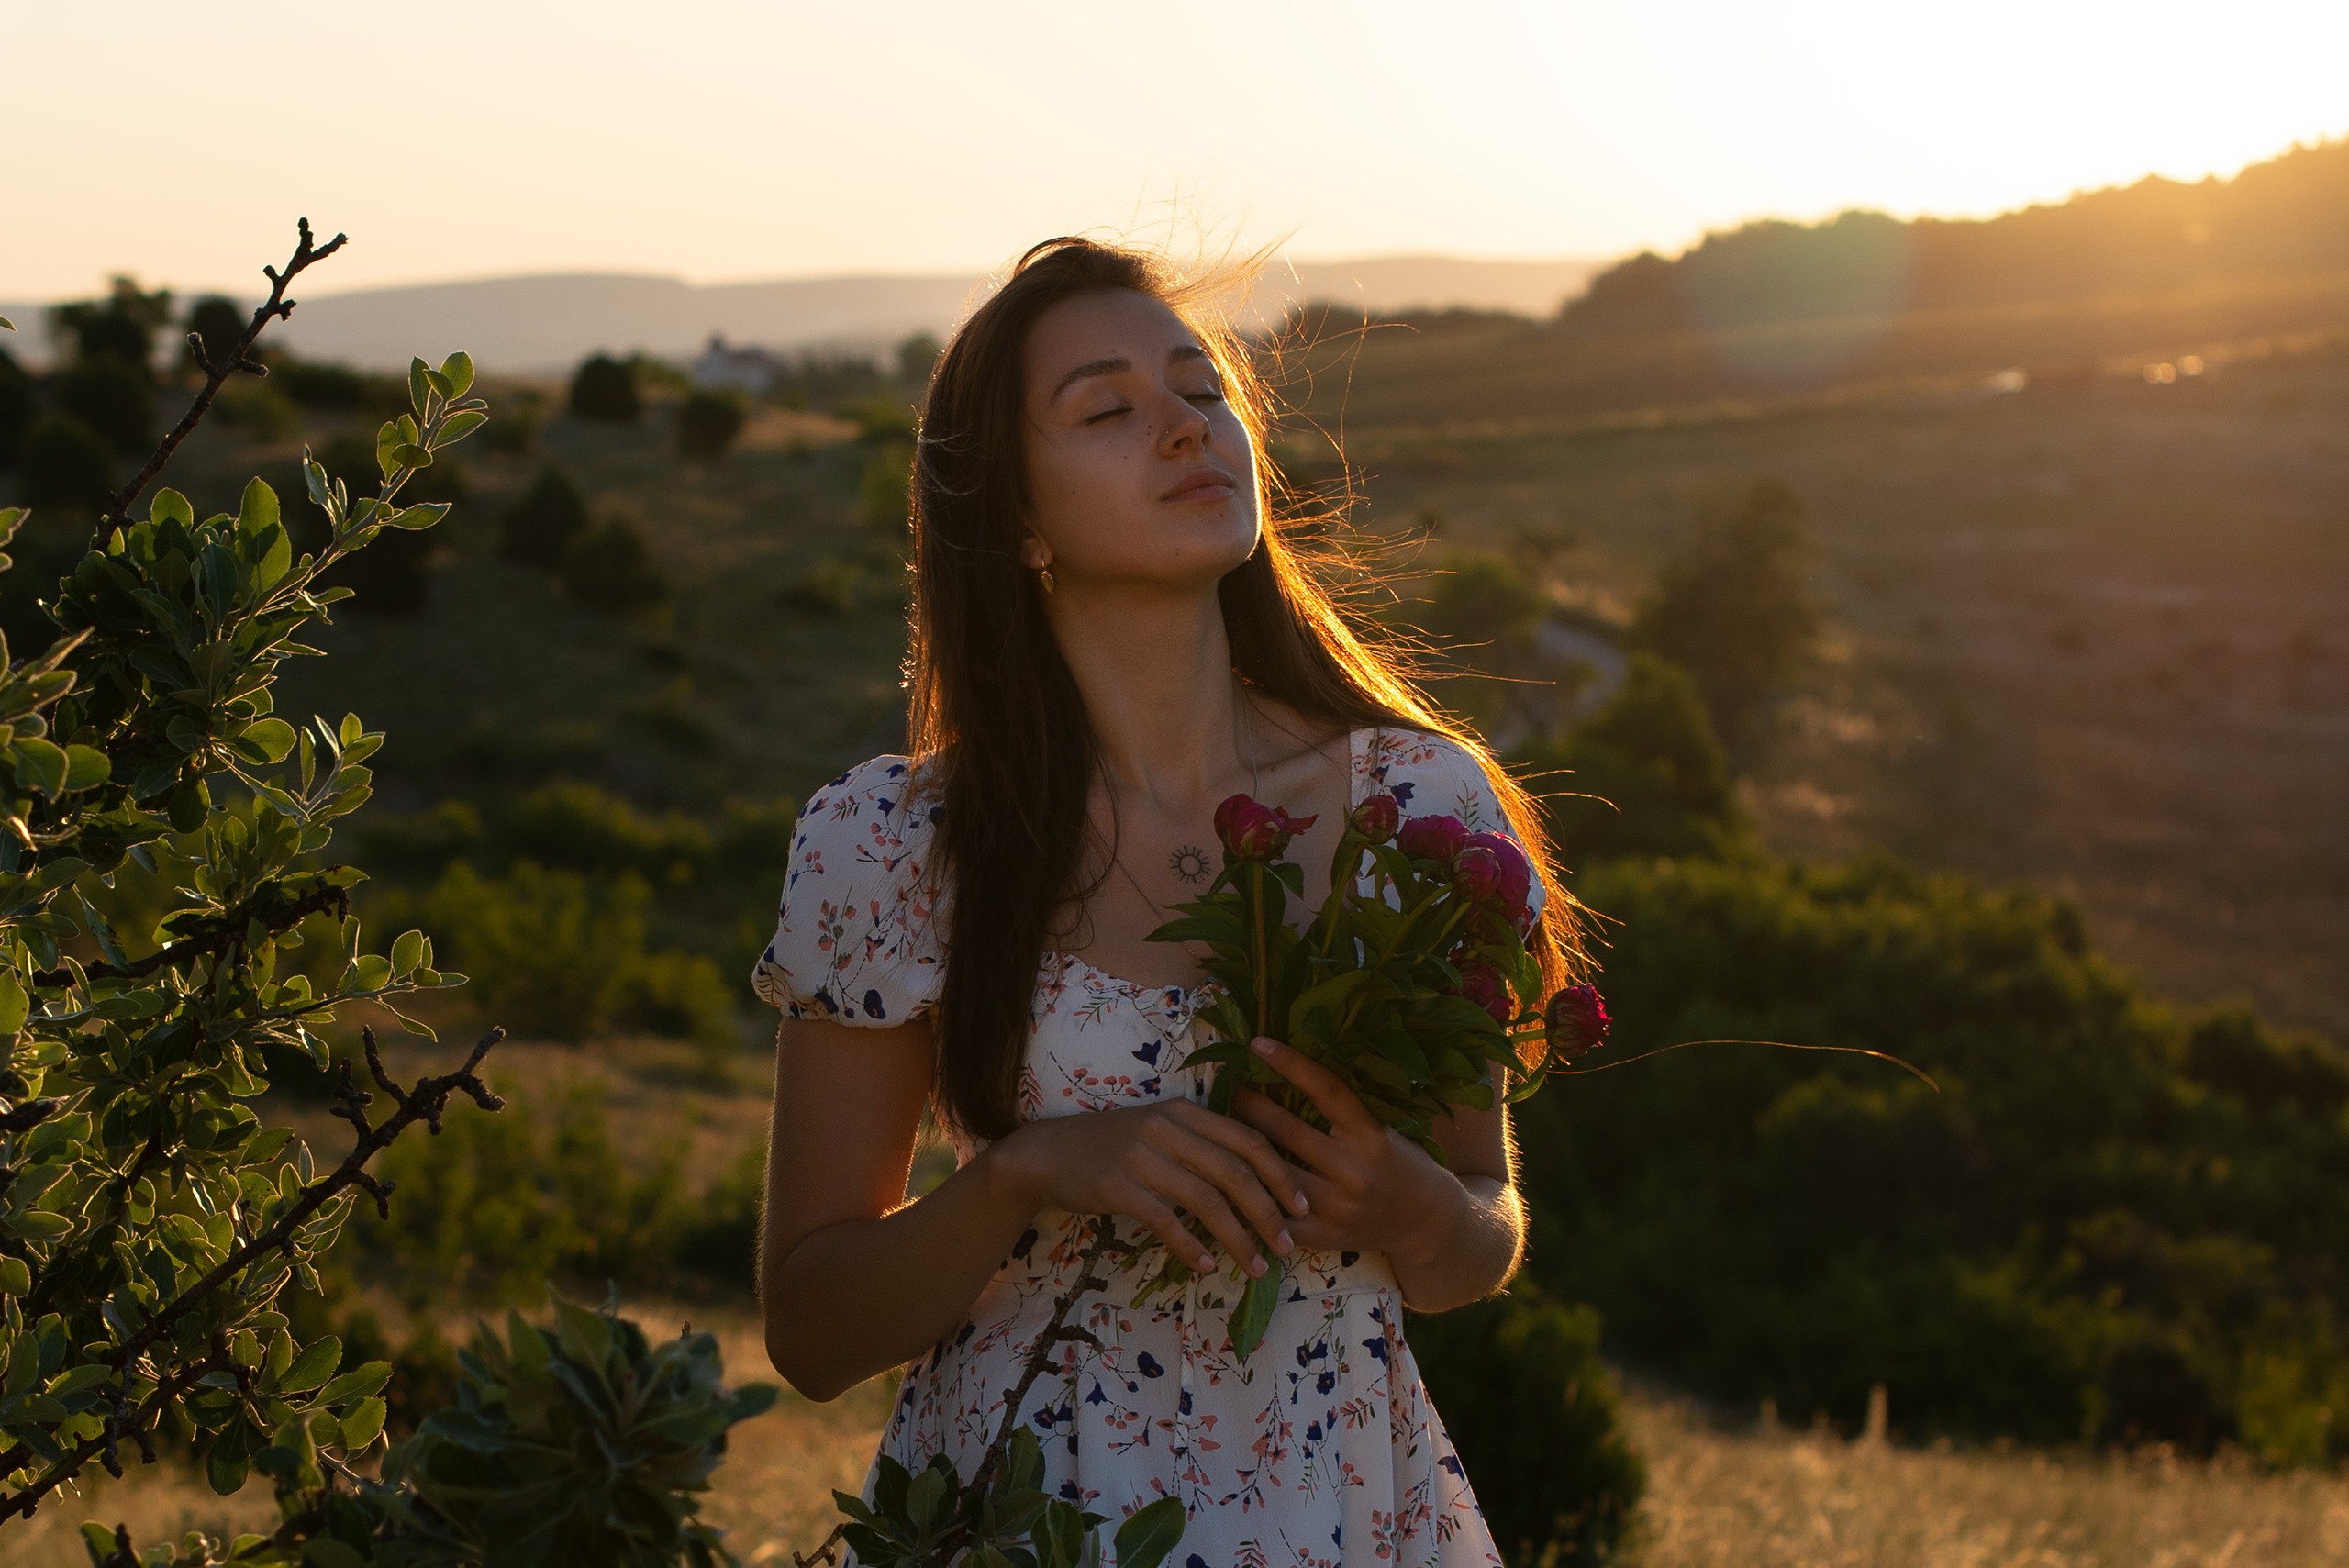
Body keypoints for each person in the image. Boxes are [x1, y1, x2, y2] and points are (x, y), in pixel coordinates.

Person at [752, 236, 1580, 1565]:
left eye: (1201, 390)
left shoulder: (1422, 811)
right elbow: (811, 1328)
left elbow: (1476, 1234)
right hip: (1025, 1516)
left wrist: (1397, 1196)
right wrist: (1025, 1173)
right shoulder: (894, 843)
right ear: (1017, 518)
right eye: (1107, 408)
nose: (1185, 426)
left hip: (1344, 1515)